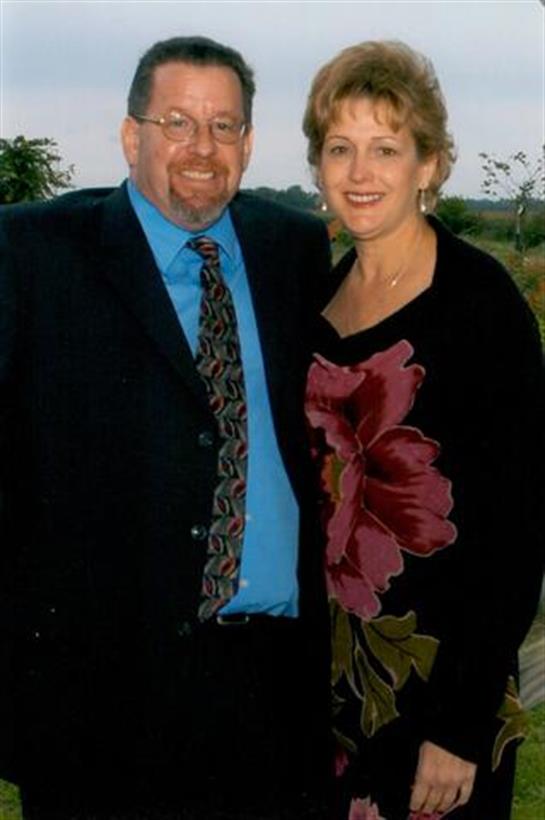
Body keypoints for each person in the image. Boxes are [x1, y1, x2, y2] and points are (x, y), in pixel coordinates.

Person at [0, 36, 333, 820]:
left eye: (223, 127)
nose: (201, 148)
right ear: (132, 136)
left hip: (270, 686)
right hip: (100, 703)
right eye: (177, 122)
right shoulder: (30, 253)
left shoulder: (292, 248)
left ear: (248, 142)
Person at [302, 40, 545, 820]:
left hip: (440, 697)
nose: (359, 172)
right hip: (327, 684)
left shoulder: (479, 304)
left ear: (428, 164)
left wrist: (460, 725)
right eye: (339, 147)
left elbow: (517, 530)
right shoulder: (318, 298)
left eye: (385, 148)